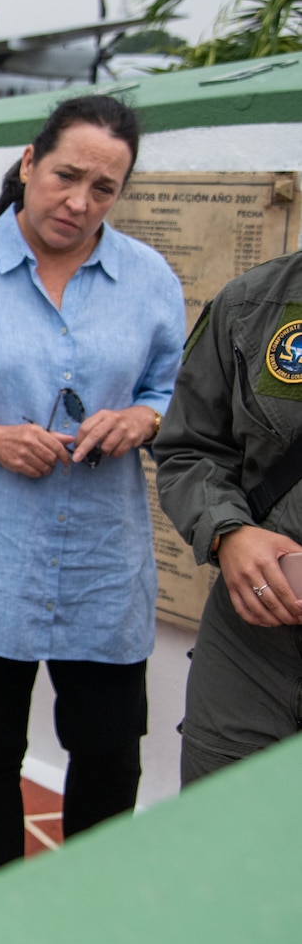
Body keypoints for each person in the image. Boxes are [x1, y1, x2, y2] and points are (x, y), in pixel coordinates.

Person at [0, 94, 186, 881]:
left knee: (109, 752)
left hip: (103, 561)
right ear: (29, 163)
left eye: (104, 189)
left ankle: (87, 906)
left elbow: (172, 390)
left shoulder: (148, 278)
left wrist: (141, 421)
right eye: (65, 176)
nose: (79, 203)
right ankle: (3, 915)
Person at [153, 250, 302, 785]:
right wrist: (229, 532)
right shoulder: (253, 303)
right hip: (253, 647)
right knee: (228, 846)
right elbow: (190, 447)